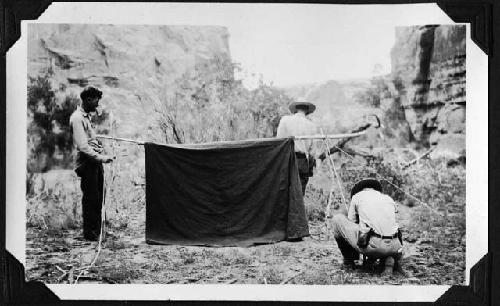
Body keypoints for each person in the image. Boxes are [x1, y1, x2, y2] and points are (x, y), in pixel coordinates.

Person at [331, 178, 404, 275]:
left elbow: (351, 221)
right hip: (396, 246)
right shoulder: (388, 198)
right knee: (381, 229)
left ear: (360, 190)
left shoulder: (357, 196)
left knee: (337, 219)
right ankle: (388, 258)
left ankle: (349, 261)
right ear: (374, 189)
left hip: (374, 246)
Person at [70, 86, 113, 241]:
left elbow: (91, 140)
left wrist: (99, 147)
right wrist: (101, 158)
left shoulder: (86, 117)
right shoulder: (77, 118)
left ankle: (98, 231)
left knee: (99, 195)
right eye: (96, 100)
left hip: (94, 163)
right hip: (87, 164)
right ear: (88, 99)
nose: (97, 103)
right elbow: (83, 146)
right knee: (91, 198)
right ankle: (91, 234)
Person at [276, 101, 318, 195]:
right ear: (307, 111)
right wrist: (310, 165)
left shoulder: (285, 120)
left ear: (295, 109)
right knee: (299, 193)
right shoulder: (311, 126)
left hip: (287, 160)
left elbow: (279, 141)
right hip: (302, 162)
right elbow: (313, 151)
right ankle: (297, 209)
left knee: (285, 191)